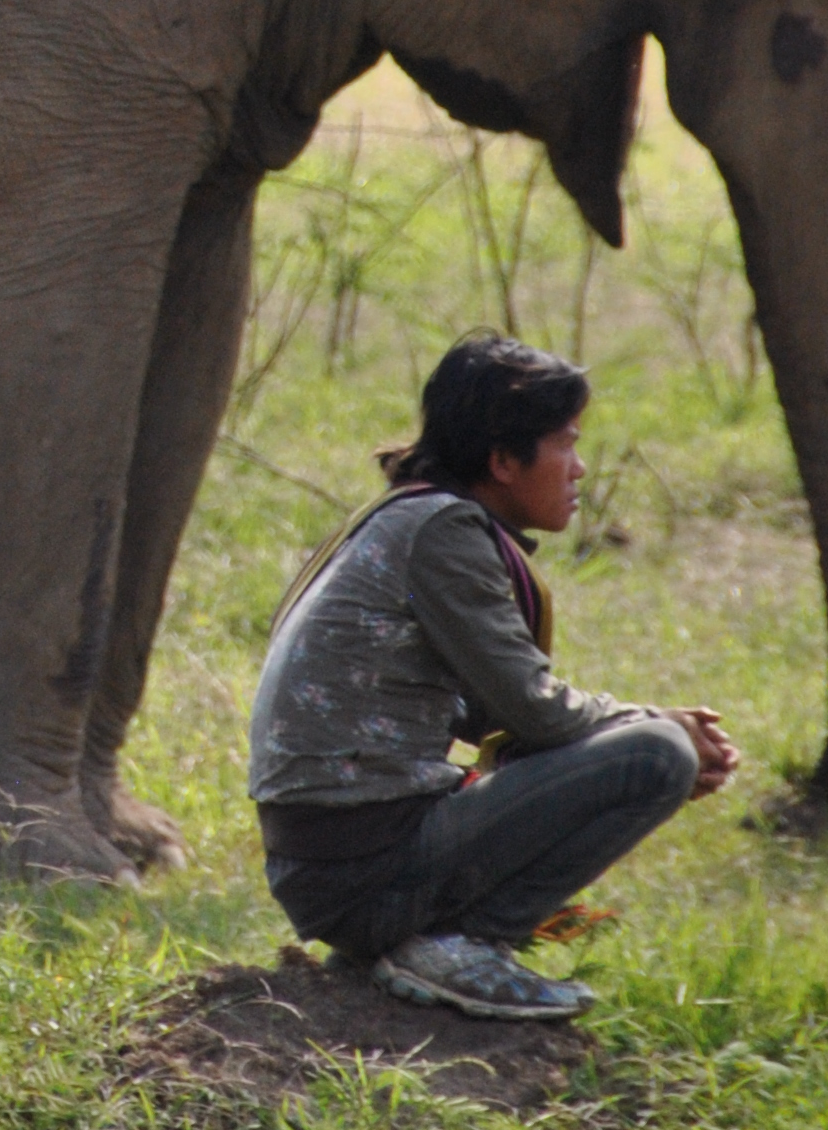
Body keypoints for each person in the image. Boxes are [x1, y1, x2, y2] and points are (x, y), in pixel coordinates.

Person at [248, 332, 738, 1022]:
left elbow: (499, 717)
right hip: (362, 865)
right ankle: (457, 944)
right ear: (504, 461)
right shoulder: (443, 531)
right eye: (565, 444)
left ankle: (422, 940)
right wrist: (657, 725)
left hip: (335, 861)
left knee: (652, 745)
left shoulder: (412, 517)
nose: (581, 469)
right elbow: (536, 713)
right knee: (657, 757)